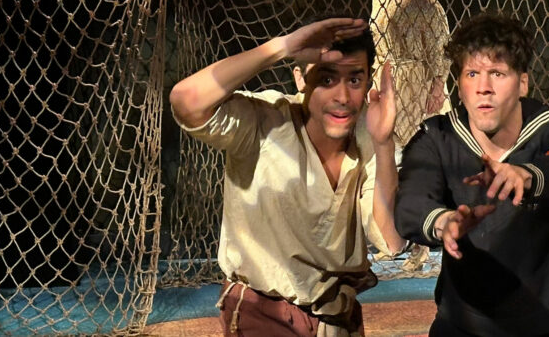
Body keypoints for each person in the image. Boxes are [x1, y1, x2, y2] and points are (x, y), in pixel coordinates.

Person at [169, 17, 406, 336]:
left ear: (368, 83)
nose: (342, 96)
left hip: (337, 316)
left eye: (354, 80)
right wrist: (280, 47)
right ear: (300, 78)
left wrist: (384, 144)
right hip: (264, 314)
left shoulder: (371, 134)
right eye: (326, 79)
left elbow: (390, 239)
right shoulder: (265, 120)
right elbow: (185, 101)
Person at [394, 13, 549, 336]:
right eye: (472, 73)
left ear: (523, 83)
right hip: (464, 324)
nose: (483, 88)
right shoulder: (437, 137)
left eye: (497, 73)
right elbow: (411, 202)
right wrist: (446, 222)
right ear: (459, 86)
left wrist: (526, 176)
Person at [371, 0, 452, 148]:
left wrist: (438, 87)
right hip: (385, 79)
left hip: (416, 83)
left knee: (417, 146)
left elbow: (442, 45)